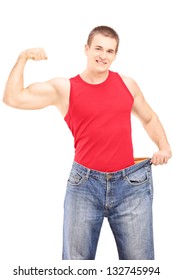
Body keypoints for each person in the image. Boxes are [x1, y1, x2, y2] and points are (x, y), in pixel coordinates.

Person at [3, 26, 172, 260]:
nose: (103, 56)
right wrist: (22, 58)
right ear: (86, 49)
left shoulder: (127, 84)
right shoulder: (65, 88)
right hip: (84, 186)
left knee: (139, 266)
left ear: (115, 55)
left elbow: (149, 117)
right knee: (76, 266)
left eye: (110, 51)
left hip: (131, 186)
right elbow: (13, 98)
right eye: (99, 48)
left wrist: (164, 146)